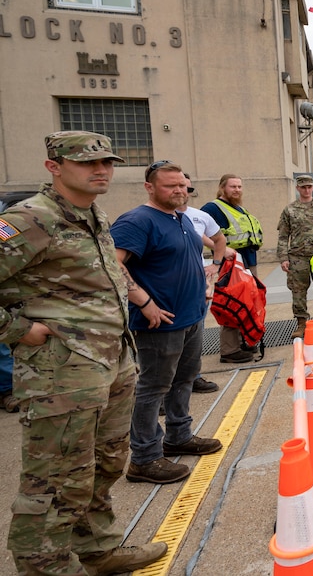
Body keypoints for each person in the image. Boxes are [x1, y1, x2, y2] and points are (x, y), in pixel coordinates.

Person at [0, 131, 167, 575]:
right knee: (55, 477)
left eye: (107, 163)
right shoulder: (30, 219)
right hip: (61, 374)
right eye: (87, 163)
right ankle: (45, 567)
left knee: (105, 463)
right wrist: (17, 329)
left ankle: (97, 548)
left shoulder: (91, 214)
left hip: (109, 362)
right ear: (53, 167)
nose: (101, 171)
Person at [113, 161, 223, 485]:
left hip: (190, 317)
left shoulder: (182, 219)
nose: (179, 191)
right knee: (153, 386)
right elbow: (113, 265)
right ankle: (144, 458)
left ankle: (179, 435)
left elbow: (190, 259)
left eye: (182, 186)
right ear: (150, 187)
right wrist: (145, 303)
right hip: (160, 322)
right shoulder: (137, 221)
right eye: (170, 186)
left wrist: (203, 287)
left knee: (185, 378)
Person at [201, 174, 263, 363]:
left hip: (246, 262)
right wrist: (219, 249)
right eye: (232, 187)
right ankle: (230, 350)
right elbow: (197, 229)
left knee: (249, 302)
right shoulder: (213, 208)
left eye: (239, 186)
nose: (237, 190)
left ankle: (245, 342)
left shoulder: (239, 208)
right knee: (232, 303)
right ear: (222, 188)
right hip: (230, 265)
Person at [179, 174, 227, 394]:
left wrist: (216, 265)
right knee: (167, 341)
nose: (182, 193)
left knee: (195, 334)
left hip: (196, 286)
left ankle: (193, 377)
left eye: (187, 189)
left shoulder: (199, 217)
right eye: (175, 187)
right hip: (166, 290)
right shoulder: (146, 219)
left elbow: (217, 240)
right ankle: (164, 390)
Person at [277, 174, 313, 338]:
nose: (307, 190)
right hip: (298, 256)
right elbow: (283, 236)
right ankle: (301, 323)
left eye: (309, 186)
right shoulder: (289, 210)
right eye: (303, 187)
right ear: (298, 188)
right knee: (298, 291)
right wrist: (283, 258)